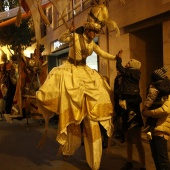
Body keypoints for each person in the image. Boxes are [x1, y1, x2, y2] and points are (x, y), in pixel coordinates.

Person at [36, 20, 120, 170]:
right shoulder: (75, 37)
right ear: (86, 30)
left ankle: (94, 160)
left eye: (95, 32)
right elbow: (62, 39)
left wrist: (115, 58)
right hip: (70, 70)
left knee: (93, 108)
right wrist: (69, 32)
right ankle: (68, 147)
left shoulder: (92, 44)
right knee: (70, 111)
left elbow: (102, 53)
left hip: (84, 71)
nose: (93, 34)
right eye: (91, 31)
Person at [116, 51, 146, 170]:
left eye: (129, 63)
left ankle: (139, 165)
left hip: (130, 111)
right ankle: (134, 163)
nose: (126, 64)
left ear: (132, 66)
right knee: (133, 140)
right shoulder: (132, 76)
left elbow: (119, 67)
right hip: (132, 111)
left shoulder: (129, 73)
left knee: (135, 140)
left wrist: (119, 58)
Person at [142, 92, 170, 169]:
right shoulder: (160, 94)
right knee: (156, 157)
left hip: (161, 129)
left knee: (162, 160)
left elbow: (165, 110)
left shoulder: (168, 95)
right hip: (154, 128)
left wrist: (148, 113)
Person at [142, 67, 170, 140]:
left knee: (152, 116)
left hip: (156, 103)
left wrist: (146, 106)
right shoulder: (167, 85)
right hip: (162, 103)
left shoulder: (154, 86)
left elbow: (151, 97)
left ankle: (149, 130)